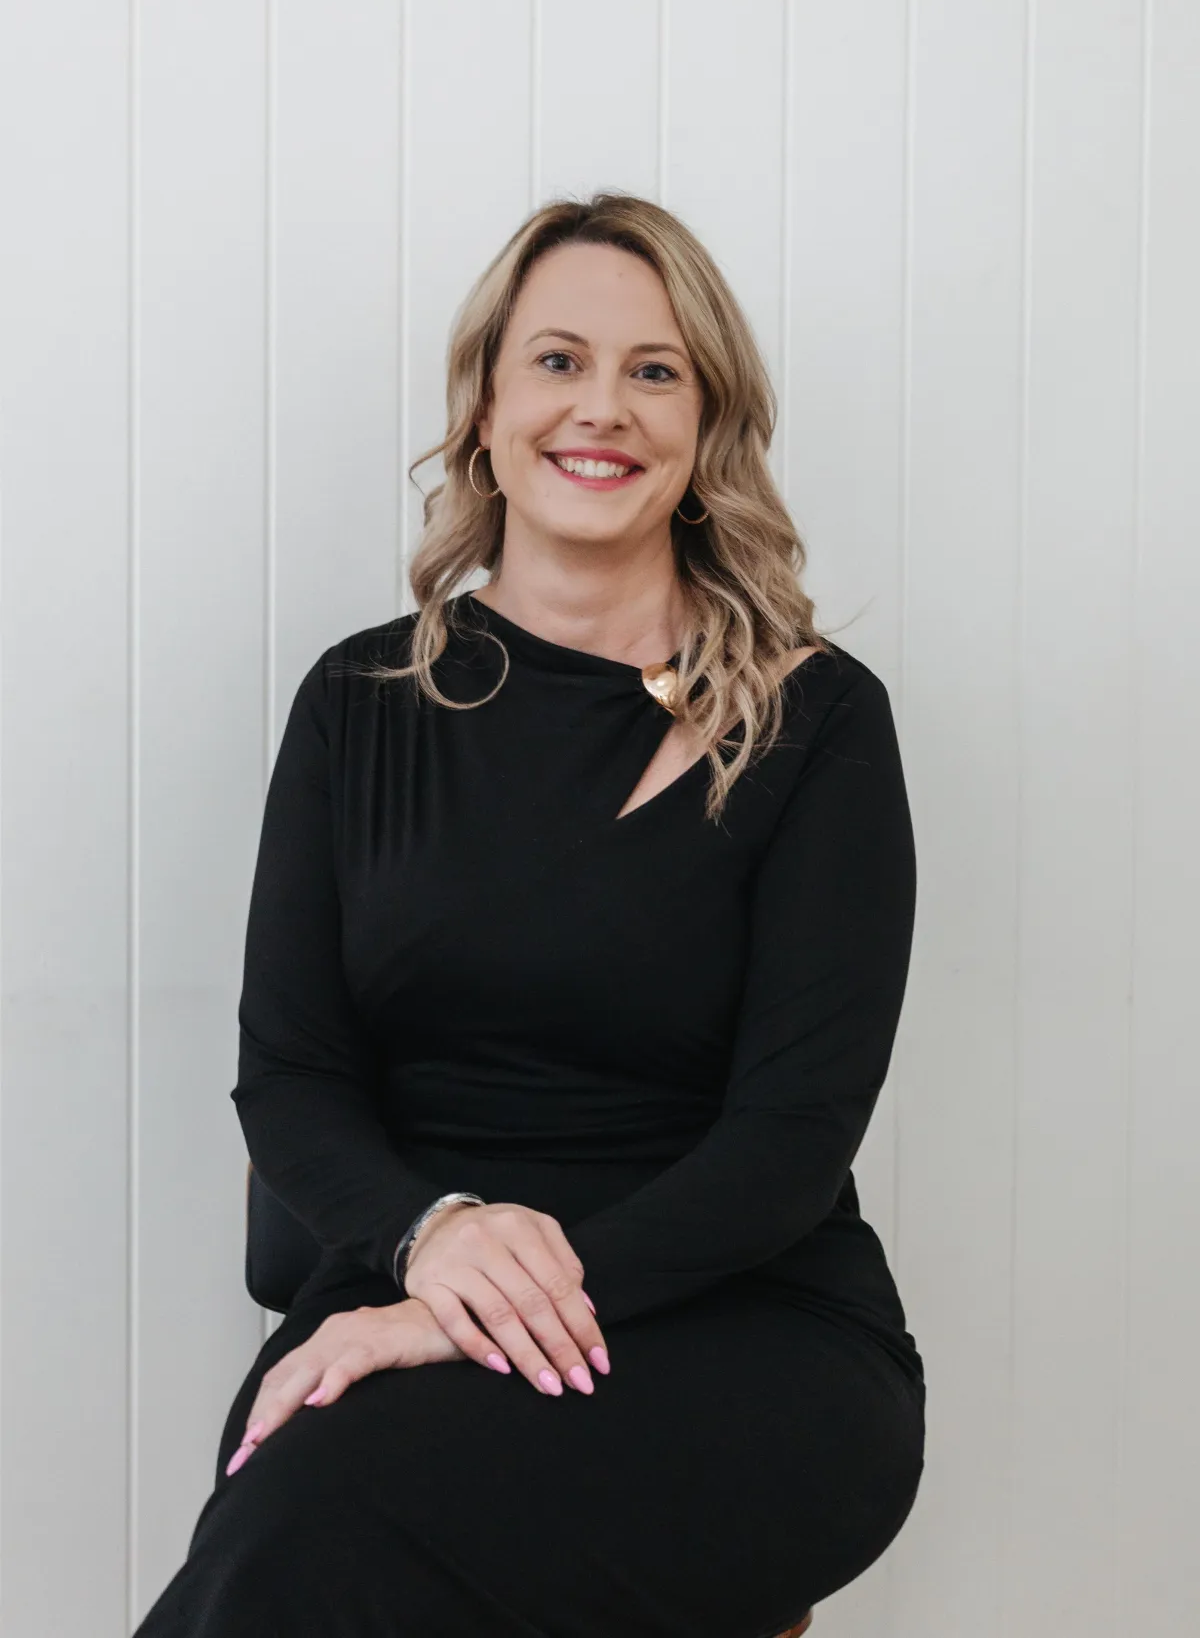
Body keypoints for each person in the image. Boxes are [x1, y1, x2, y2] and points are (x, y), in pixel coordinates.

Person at [133, 192, 925, 1638]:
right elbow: (292, 1075)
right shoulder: (357, 706)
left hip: (736, 1328)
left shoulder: (818, 724)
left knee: (316, 1531)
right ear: (487, 407)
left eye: (655, 369)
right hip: (403, 1276)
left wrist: (456, 1314)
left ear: (706, 426)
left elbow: (793, 1139)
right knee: (300, 1519)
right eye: (557, 360)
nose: (601, 407)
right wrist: (432, 1241)